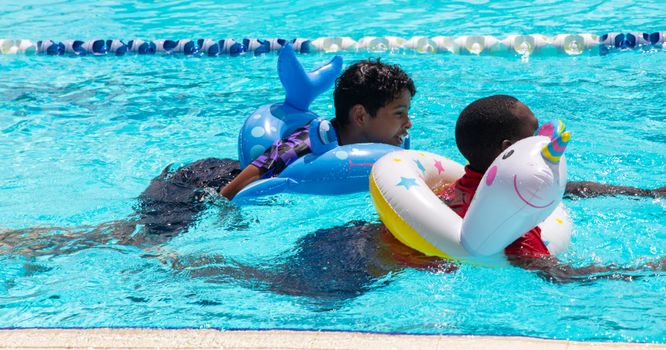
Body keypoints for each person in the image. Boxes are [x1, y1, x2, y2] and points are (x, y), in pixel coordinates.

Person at [434, 94, 665, 280]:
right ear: (508, 150)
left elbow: (568, 188)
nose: (541, 142)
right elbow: (560, 274)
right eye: (533, 136)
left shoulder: (457, 190)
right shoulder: (510, 224)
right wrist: (652, 267)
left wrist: (648, 194)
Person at [219, 58, 415, 199]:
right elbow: (227, 194)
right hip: (211, 178)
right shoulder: (304, 143)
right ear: (360, 116)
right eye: (399, 113)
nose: (409, 123)